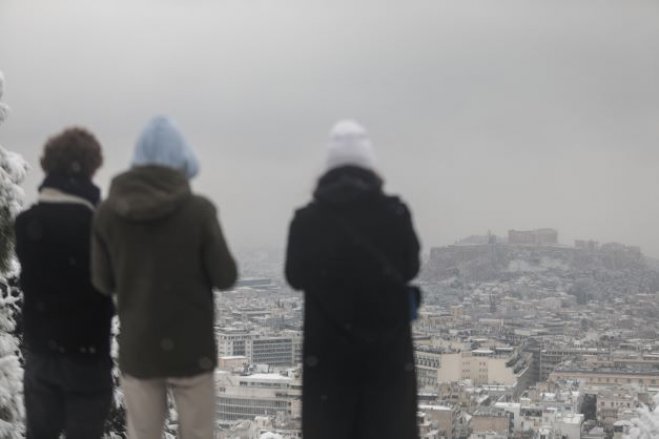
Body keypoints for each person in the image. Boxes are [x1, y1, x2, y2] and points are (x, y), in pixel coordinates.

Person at [91, 116, 237, 439]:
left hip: (139, 347)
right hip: (191, 349)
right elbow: (226, 276)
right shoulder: (199, 212)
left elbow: (102, 282)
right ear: (182, 161)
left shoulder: (109, 213)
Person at [285, 120, 421, 439]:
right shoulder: (395, 214)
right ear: (370, 166)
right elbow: (411, 267)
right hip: (386, 358)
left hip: (329, 359)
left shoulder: (307, 221)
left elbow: (294, 276)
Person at [15, 128, 114, 438]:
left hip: (42, 353)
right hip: (87, 356)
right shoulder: (100, 227)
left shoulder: (27, 223)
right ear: (92, 167)